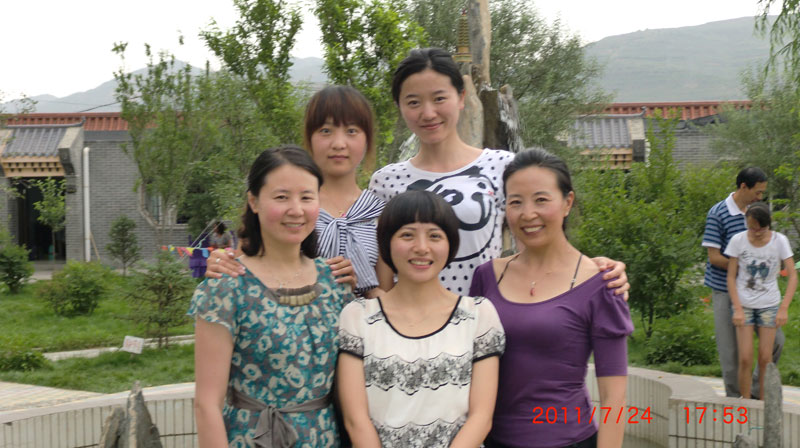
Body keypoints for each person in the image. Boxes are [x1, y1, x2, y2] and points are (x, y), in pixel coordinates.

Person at [369, 47, 630, 296]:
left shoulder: (501, 166)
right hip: (410, 321)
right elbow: (381, 270)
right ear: (399, 106)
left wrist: (590, 269)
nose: (428, 113)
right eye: (413, 102)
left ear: (461, 98)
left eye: (439, 98)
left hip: (486, 315)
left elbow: (537, 241)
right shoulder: (386, 181)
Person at [190, 145, 355, 447]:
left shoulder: (336, 283)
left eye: (307, 197)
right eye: (281, 197)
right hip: (251, 438)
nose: (296, 210)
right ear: (254, 201)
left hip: (324, 438)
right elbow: (206, 404)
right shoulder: (227, 287)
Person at [470, 148, 633, 448]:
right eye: (515, 202)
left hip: (568, 441)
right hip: (494, 441)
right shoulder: (486, 277)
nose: (527, 214)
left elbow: (614, 397)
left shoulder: (601, 284)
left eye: (541, 200)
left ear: (567, 202)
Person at [337, 190, 505, 447]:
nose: (422, 248)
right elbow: (355, 420)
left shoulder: (478, 315)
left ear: (450, 244)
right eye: (407, 235)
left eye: (434, 236)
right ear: (386, 243)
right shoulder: (358, 317)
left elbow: (481, 418)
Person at [206, 86, 379, 296]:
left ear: (367, 138)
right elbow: (243, 268)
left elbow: (393, 291)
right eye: (326, 131)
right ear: (309, 137)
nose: (339, 144)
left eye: (351, 131)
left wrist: (361, 286)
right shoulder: (283, 207)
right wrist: (222, 264)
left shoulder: (379, 210)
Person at [702, 167, 784, 398]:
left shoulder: (758, 212)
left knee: (776, 341)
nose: (760, 197)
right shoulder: (718, 213)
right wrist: (746, 266)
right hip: (725, 291)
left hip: (758, 294)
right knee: (731, 354)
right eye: (758, 192)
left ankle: (755, 392)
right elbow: (714, 257)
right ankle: (735, 402)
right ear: (743, 187)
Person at [725, 202, 796, 400]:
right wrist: (737, 308)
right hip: (744, 305)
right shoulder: (738, 240)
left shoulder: (780, 241)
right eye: (752, 228)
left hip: (769, 305)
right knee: (745, 358)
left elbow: (793, 276)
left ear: (768, 224)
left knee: (765, 358)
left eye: (761, 228)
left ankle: (762, 403)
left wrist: (783, 308)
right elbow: (731, 276)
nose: (756, 232)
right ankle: (746, 403)